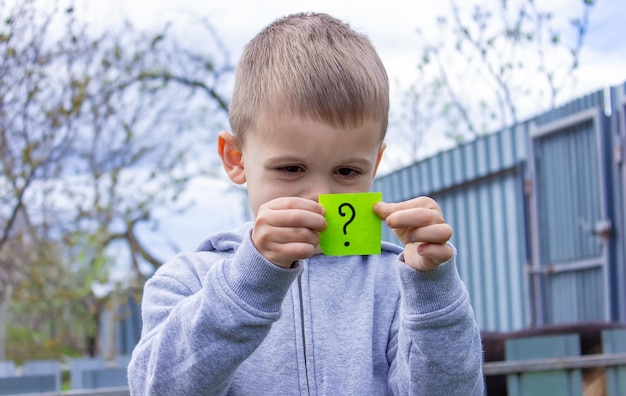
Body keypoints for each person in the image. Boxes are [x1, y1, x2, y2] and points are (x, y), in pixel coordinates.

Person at [128, 12, 484, 395]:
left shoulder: (397, 284)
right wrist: (250, 280)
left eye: (347, 172)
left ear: (375, 165)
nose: (321, 197)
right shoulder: (186, 282)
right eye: (291, 168)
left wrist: (433, 290)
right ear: (236, 159)